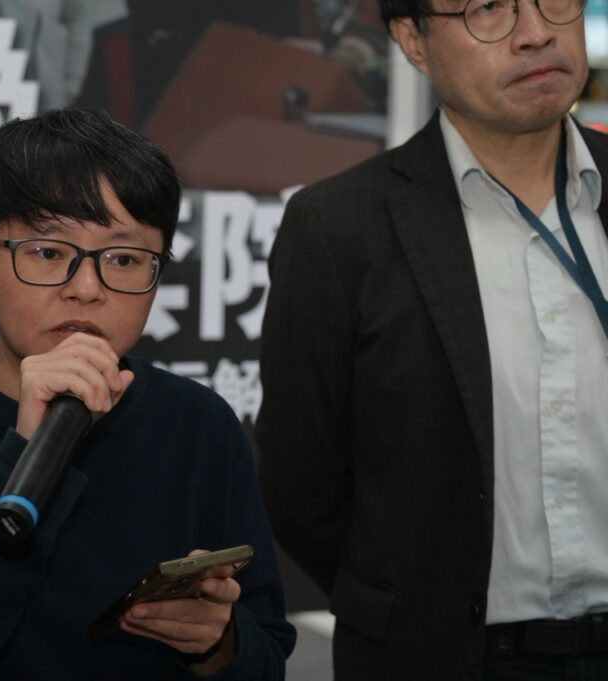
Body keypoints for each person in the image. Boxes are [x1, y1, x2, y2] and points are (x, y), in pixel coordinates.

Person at [0, 108, 295, 680]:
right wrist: (21, 454)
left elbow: (266, 659)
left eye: (123, 258)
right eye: (47, 252)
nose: (86, 288)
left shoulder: (200, 424)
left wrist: (214, 642)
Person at [256, 0, 608, 678]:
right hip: (444, 656)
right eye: (488, 8)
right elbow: (301, 484)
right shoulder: (338, 227)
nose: (536, 32)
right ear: (412, 40)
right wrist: (404, 603)